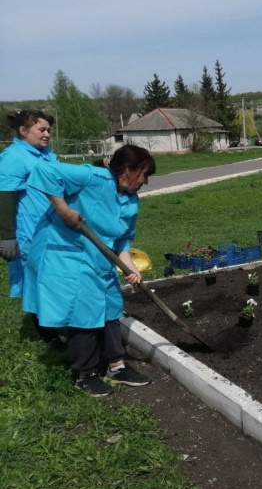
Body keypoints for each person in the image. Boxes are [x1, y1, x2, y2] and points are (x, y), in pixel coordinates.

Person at [22, 144, 156, 396]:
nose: (146, 182)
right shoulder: (93, 178)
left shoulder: (130, 201)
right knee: (82, 313)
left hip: (100, 260)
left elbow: (122, 241)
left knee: (111, 308)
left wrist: (128, 266)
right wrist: (63, 211)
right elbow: (44, 171)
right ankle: (85, 374)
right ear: (128, 170)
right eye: (144, 174)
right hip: (68, 256)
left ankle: (116, 367)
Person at [0, 109, 63, 346]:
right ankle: (49, 336)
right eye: (42, 130)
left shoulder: (44, 154)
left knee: (54, 279)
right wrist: (6, 236)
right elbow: (4, 196)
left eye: (49, 130)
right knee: (37, 283)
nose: (47, 134)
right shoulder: (14, 157)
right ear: (23, 131)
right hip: (30, 232)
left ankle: (58, 324)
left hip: (51, 229)